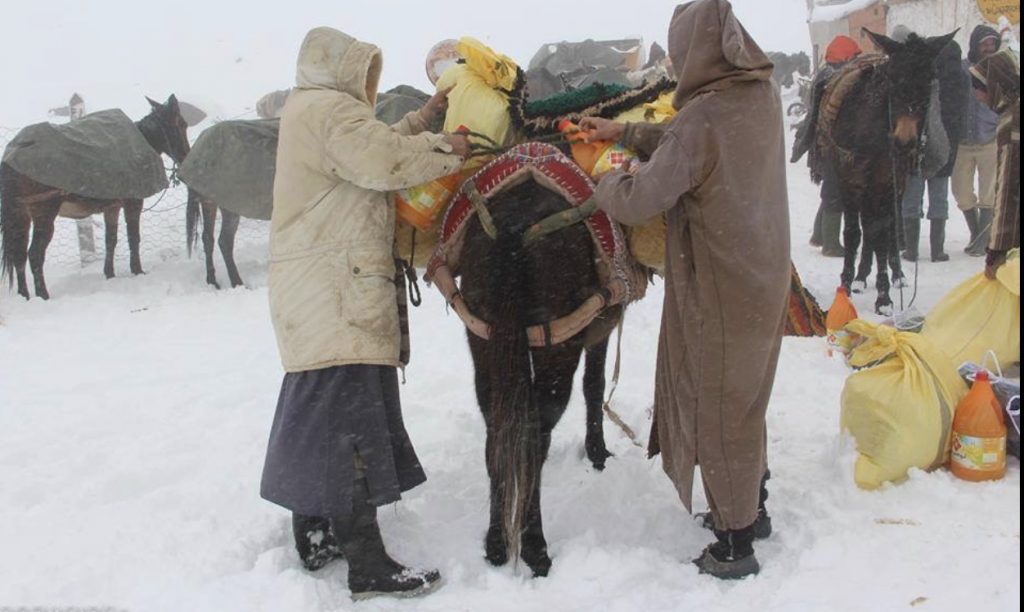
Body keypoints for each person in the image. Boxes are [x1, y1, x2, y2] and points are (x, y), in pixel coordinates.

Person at [582, 0, 790, 580]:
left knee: (721, 408)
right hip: (763, 275)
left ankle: (734, 542)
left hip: (722, 283)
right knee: (745, 399)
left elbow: (642, 197)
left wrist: (604, 176)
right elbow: (686, 140)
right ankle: (755, 503)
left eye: (679, 50)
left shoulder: (704, 117)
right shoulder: (755, 97)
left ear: (699, 50)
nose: (674, 62)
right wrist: (625, 128)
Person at [259, 26, 468, 600]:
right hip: (336, 292)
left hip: (315, 294)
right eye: (364, 70)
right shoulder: (329, 113)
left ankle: (315, 532)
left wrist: (422, 120)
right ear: (344, 70)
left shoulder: (313, 111)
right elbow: (379, 161)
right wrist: (449, 149)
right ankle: (368, 564)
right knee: (349, 428)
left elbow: (370, 147)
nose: (367, 81)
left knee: (319, 415)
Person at [893, 26, 965, 263]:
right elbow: (959, 118)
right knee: (939, 199)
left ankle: (911, 250)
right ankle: (937, 250)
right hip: (944, 149)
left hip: (917, 148)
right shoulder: (959, 77)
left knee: (912, 199)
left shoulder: (920, 79)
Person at [793, 35, 863, 257]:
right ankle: (831, 244)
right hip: (831, 143)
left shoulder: (826, 74)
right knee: (834, 190)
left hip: (823, 142)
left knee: (832, 190)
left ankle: (819, 234)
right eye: (853, 57)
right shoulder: (834, 79)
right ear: (844, 57)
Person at [969, 49, 1019, 279]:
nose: (978, 96)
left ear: (995, 86)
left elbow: (1009, 187)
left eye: (980, 89)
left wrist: (996, 249)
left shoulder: (1013, 121)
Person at [954, 25, 1002, 256]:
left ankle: (983, 241)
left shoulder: (1002, 69)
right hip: (963, 140)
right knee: (961, 193)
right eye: (984, 44)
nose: (989, 48)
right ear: (975, 44)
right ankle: (976, 233)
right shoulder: (962, 69)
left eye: (992, 44)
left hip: (990, 139)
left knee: (988, 193)